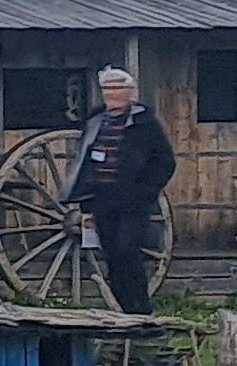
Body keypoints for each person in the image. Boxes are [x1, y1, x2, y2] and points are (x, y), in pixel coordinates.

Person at [65, 65, 178, 315]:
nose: (112, 94)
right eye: (108, 89)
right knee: (113, 256)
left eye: (118, 89)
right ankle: (123, 312)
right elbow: (85, 162)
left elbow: (165, 162)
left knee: (128, 251)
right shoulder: (95, 122)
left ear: (129, 92)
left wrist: (146, 191)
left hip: (133, 201)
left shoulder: (144, 123)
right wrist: (86, 204)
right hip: (102, 200)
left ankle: (141, 310)